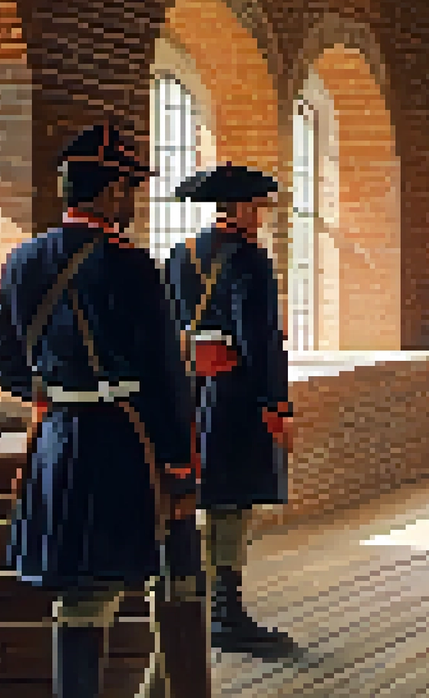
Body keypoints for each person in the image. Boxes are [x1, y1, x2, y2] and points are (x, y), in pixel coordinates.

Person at [0, 123, 207, 697]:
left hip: (56, 441)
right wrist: (180, 468)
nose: (130, 201)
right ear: (110, 192)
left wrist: (56, 389)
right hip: (122, 442)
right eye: (128, 188)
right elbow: (164, 377)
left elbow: (0, 363)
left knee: (77, 593)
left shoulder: (22, 260)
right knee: (155, 579)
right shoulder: (132, 266)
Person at [165, 162, 297, 657]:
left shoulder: (180, 255)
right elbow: (259, 339)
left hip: (189, 390)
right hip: (234, 396)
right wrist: (276, 404)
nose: (260, 218)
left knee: (193, 496)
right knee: (231, 503)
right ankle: (225, 612)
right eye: (257, 208)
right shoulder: (250, 261)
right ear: (239, 209)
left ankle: (194, 605)